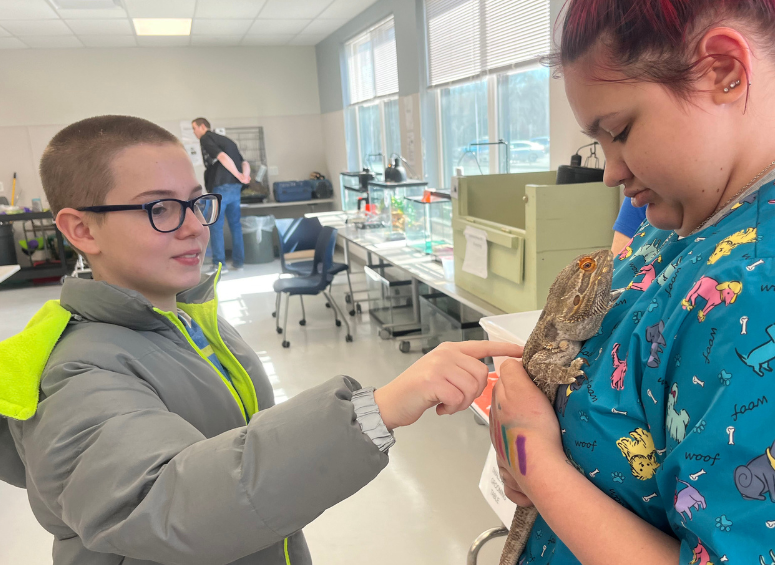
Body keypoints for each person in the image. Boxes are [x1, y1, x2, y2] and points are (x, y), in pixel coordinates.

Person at [0, 115, 522, 565]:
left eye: (196, 203)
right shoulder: (75, 374)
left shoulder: (182, 319)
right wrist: (375, 410)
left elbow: (237, 447)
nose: (194, 229)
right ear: (81, 230)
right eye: (159, 208)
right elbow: (163, 502)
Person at [490, 1, 775, 563]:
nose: (610, 170)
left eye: (621, 131)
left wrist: (538, 465)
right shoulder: (697, 210)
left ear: (724, 70)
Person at [192, 117, 249, 274]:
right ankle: (239, 263)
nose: (194, 132)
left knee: (215, 226)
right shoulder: (227, 140)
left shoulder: (206, 138)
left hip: (221, 187)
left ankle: (219, 265)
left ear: (202, 126)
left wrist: (237, 174)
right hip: (235, 188)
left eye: (194, 128)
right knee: (235, 226)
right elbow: (245, 163)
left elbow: (222, 157)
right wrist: (244, 176)